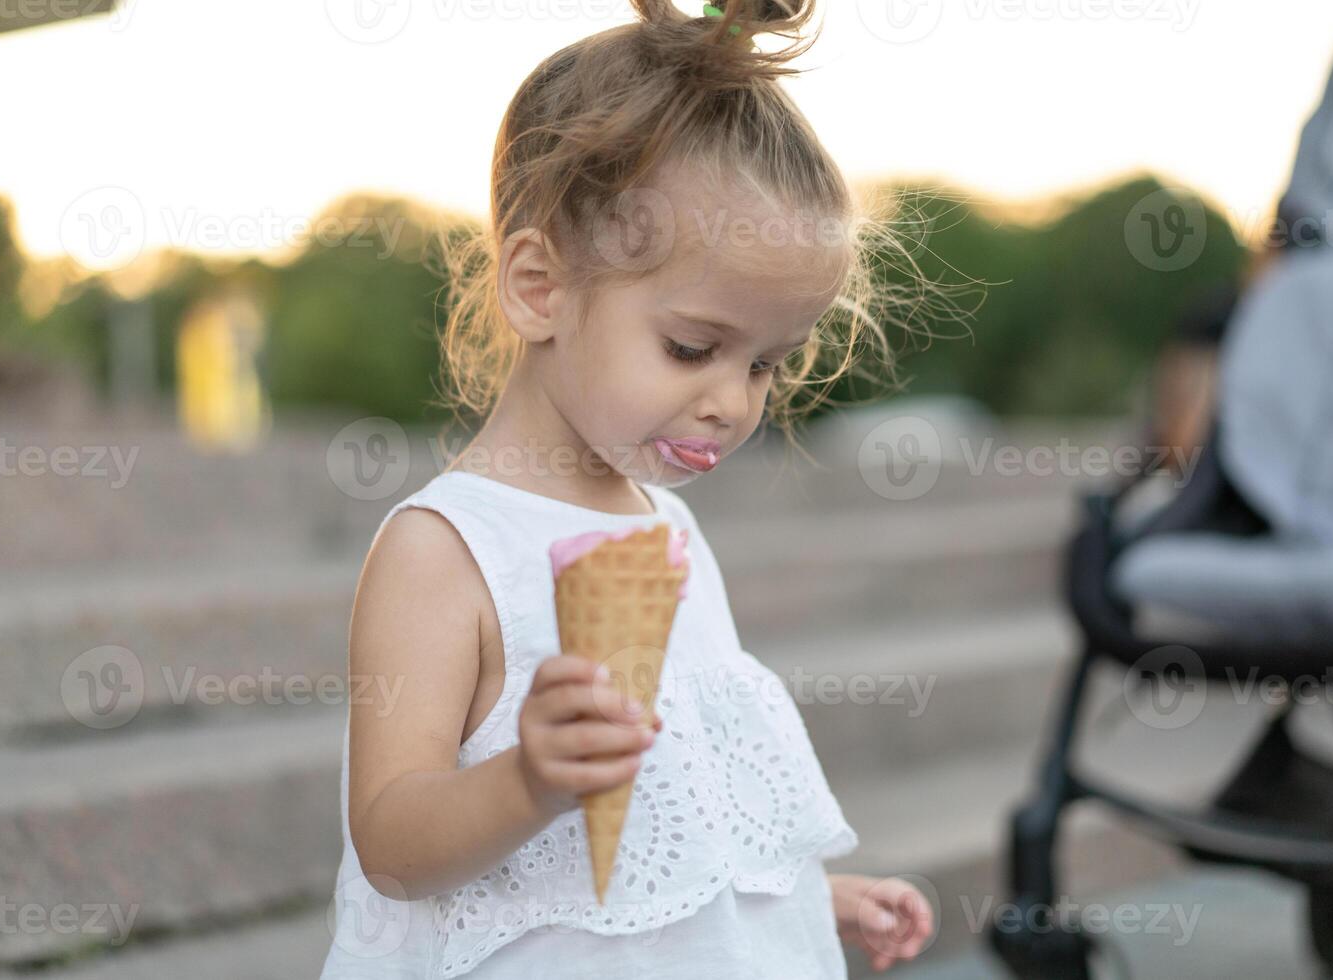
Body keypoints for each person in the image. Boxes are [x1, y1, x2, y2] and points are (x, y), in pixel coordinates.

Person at [321, 2, 938, 976]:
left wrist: (810, 899)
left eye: (768, 363)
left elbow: (682, 817)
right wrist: (526, 779)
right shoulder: (444, 550)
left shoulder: (671, 532)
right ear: (539, 285)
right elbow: (392, 844)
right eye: (692, 346)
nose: (732, 401)